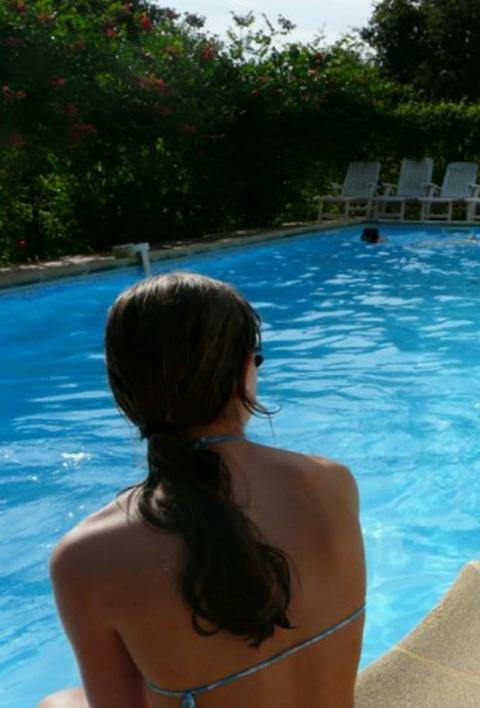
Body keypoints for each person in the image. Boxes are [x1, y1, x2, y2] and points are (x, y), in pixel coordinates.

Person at [41, 273, 365, 708]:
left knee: (58, 702)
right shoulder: (333, 484)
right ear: (244, 371)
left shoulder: (86, 557)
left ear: (124, 391)